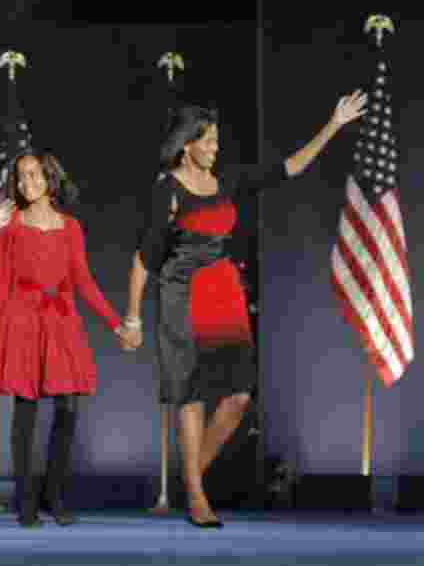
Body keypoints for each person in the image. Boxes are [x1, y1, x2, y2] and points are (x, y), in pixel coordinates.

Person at [124, 92, 367, 528]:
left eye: (217, 141)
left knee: (237, 397)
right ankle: (197, 498)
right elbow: (144, 257)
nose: (216, 148)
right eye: (209, 141)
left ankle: (191, 477)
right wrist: (133, 317)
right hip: (182, 296)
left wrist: (333, 125)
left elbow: (289, 168)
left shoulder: (228, 181)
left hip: (222, 292)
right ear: (187, 145)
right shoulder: (169, 191)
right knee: (191, 396)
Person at [0, 150, 136, 528]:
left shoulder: (70, 227)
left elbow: (84, 282)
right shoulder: (8, 224)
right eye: (21, 176)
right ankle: (25, 501)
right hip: (22, 322)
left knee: (68, 409)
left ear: (50, 178)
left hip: (61, 322)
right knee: (25, 412)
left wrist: (115, 324)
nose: (27, 182)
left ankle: (52, 493)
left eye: (34, 174)